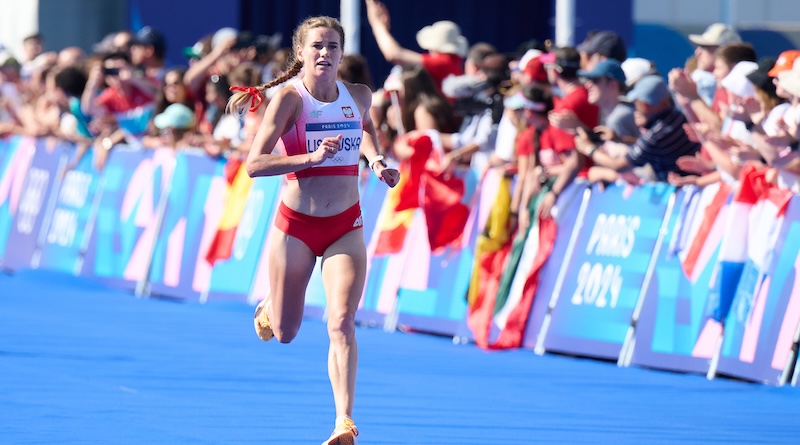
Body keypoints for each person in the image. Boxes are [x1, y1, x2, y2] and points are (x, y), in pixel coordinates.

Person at [226, 15, 399, 445]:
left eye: (333, 46)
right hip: (297, 227)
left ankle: (344, 421)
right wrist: (308, 159)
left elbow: (365, 129)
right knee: (285, 333)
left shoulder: (358, 94)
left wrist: (377, 163)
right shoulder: (289, 100)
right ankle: (270, 307)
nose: (325, 53)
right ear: (301, 52)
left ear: (342, 54)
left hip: (346, 224)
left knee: (342, 322)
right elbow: (254, 164)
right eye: (317, 46)